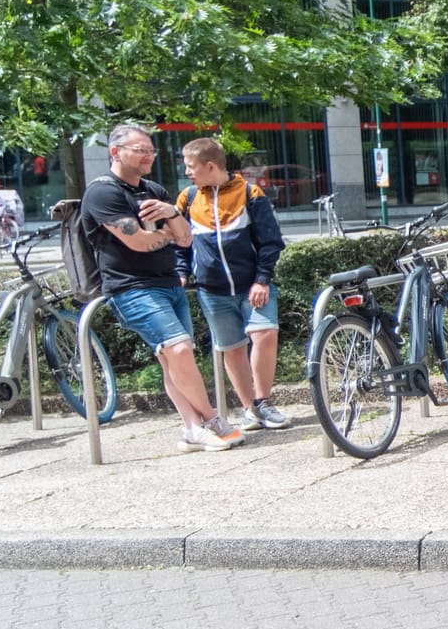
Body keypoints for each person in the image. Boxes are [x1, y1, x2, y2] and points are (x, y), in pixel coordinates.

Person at [80, 124, 244, 451]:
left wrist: (170, 213)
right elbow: (138, 242)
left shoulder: (154, 190)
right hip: (131, 288)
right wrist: (167, 235)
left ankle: (191, 429)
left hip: (169, 284)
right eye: (140, 150)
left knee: (173, 359)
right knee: (179, 349)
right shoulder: (103, 192)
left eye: (151, 150)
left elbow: (185, 237)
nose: (148, 156)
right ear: (116, 152)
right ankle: (212, 419)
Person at [178, 138, 290, 431]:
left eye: (191, 167)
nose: (187, 172)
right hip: (211, 290)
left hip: (251, 284)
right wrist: (181, 271)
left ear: (210, 165)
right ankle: (249, 408)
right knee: (232, 347)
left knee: (264, 333)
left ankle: (263, 401)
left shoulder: (249, 193)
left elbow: (270, 240)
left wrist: (262, 279)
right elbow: (179, 243)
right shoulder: (188, 198)